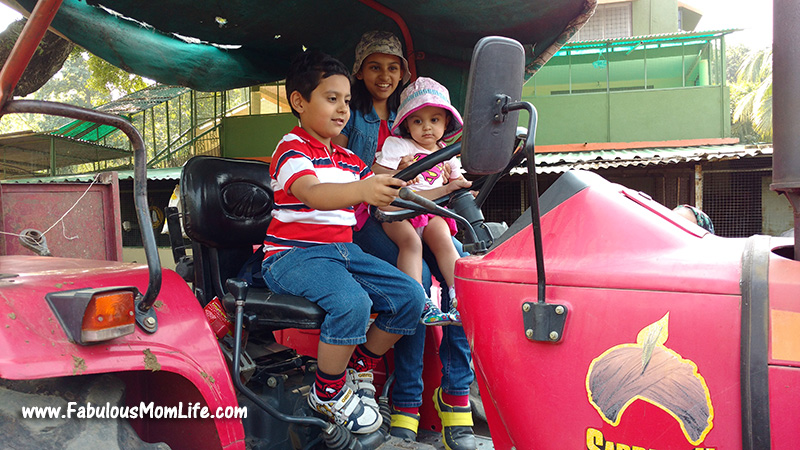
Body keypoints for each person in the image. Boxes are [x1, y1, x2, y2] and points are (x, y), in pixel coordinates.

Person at [260, 49, 426, 435]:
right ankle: (328, 391)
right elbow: (316, 195)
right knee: (352, 301)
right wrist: (366, 189)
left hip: (342, 252)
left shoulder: (350, 158)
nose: (342, 109)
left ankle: (357, 367)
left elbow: (380, 189)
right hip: (293, 255)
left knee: (411, 297)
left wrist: (425, 182)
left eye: (347, 101)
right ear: (299, 102)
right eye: (331, 99)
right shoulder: (291, 149)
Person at [334, 30, 477, 450]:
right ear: (359, 72)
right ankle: (407, 401)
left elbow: (445, 172)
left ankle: (456, 395)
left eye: (393, 67)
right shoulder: (351, 116)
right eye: (374, 67)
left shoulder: (414, 114)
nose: (384, 75)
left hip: (419, 211)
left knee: (463, 277)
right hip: (367, 215)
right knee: (412, 282)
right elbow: (351, 171)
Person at [375, 77, 471, 326]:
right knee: (411, 244)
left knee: (445, 241)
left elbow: (458, 182)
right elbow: (377, 175)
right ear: (407, 123)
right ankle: (421, 301)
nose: (426, 127)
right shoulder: (398, 145)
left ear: (446, 122)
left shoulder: (447, 154)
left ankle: (458, 299)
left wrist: (465, 189)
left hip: (431, 212)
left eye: (434, 120)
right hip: (399, 210)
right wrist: (398, 170)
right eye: (418, 121)